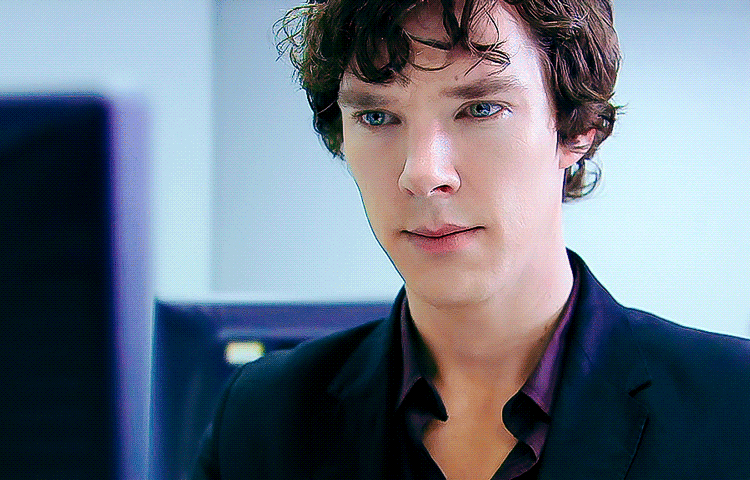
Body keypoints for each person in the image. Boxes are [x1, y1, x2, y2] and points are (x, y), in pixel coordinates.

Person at [192, 0, 750, 478]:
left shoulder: (734, 407)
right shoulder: (262, 420)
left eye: (481, 109)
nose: (422, 173)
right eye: (377, 117)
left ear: (578, 127)